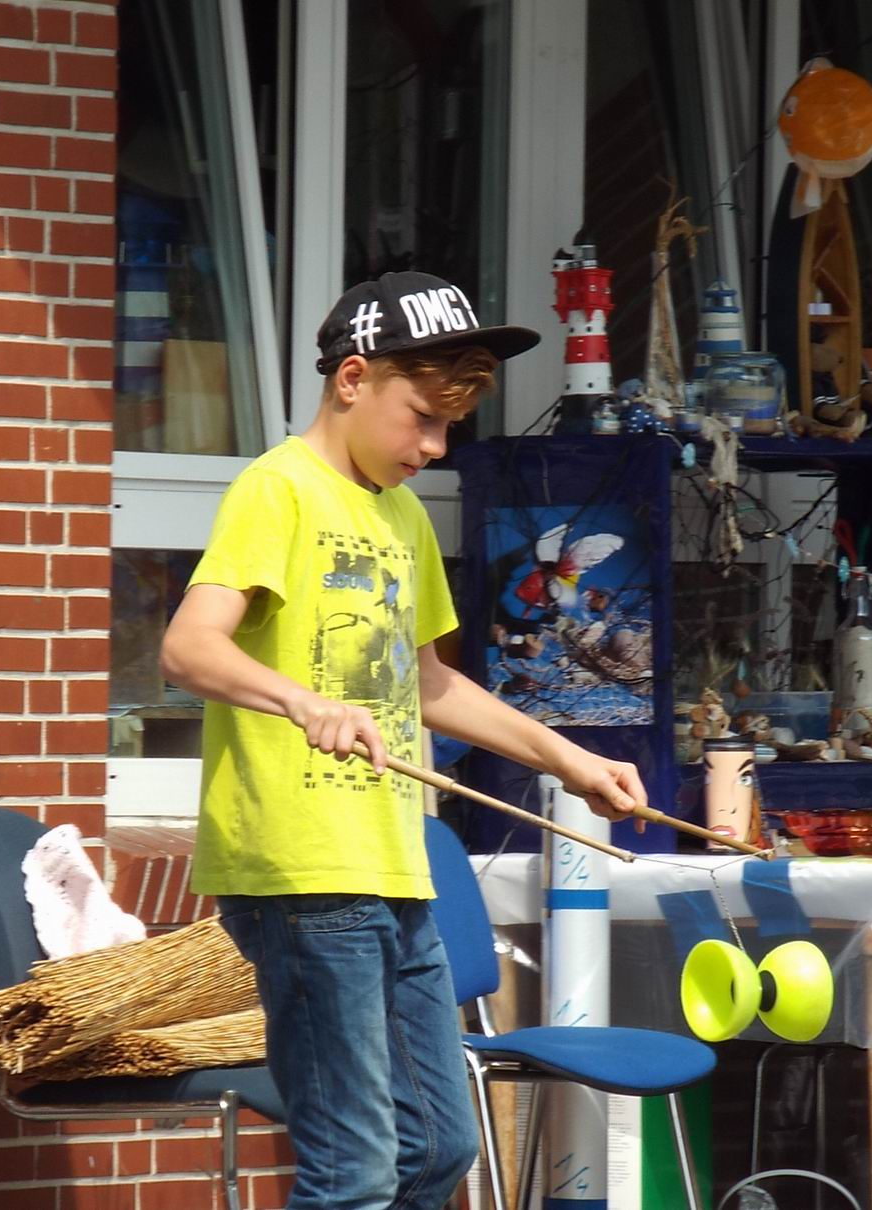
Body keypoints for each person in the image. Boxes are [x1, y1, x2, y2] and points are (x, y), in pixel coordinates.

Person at [160, 271, 648, 1209]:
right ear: (352, 379)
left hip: (394, 865)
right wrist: (300, 701)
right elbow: (187, 647)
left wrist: (572, 762)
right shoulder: (277, 490)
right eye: (421, 418)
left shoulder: (402, 515)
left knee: (435, 1149)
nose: (433, 447)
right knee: (353, 1171)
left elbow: (429, 685)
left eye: (448, 427)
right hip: (303, 873)